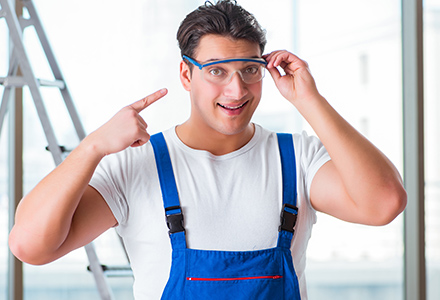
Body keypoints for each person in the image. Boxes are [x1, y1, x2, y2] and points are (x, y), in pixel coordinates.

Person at [9, 0, 407, 299]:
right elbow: (30, 245)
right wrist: (93, 147)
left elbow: (384, 202)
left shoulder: (297, 159)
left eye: (250, 70)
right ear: (186, 73)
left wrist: (309, 101)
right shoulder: (137, 165)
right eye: (217, 71)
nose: (236, 91)